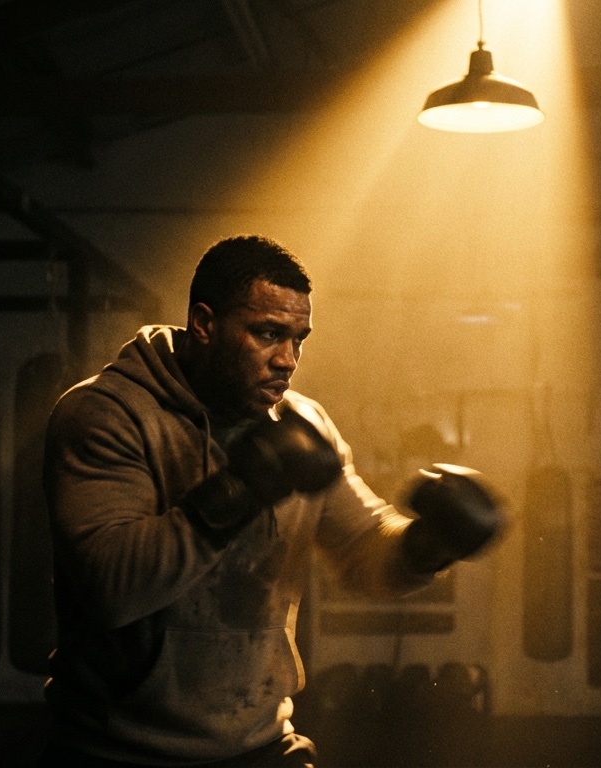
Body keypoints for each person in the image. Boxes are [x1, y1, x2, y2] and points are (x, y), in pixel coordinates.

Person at [41, 235, 502, 767]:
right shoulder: (106, 415)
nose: (288, 360)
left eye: (298, 339)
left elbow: (362, 546)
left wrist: (428, 544)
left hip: (259, 742)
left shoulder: (301, 422)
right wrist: (243, 488)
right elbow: (111, 590)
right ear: (205, 324)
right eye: (268, 334)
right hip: (117, 752)